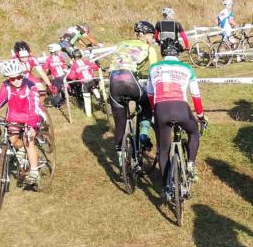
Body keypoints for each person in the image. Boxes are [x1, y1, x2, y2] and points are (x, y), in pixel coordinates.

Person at [148, 38, 205, 199]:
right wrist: (200, 115)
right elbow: (196, 95)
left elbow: (150, 94)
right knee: (194, 133)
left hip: (161, 109)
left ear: (163, 53)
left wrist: (154, 111)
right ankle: (191, 165)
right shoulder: (187, 68)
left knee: (163, 149)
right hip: (181, 108)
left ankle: (167, 186)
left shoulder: (153, 68)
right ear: (178, 53)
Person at [0, 58, 46, 188]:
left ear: (22, 74)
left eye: (18, 77)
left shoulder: (30, 87)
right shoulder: (6, 86)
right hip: (14, 117)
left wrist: (31, 126)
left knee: (28, 140)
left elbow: (34, 109)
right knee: (12, 139)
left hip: (32, 116)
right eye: (12, 79)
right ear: (7, 78)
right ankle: (21, 149)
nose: (16, 81)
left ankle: (34, 171)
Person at [101, 20, 160, 149]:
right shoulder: (149, 48)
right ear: (146, 35)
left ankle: (120, 154)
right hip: (129, 79)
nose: (153, 39)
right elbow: (154, 71)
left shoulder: (121, 44)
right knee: (146, 105)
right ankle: (143, 134)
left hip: (113, 80)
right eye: (152, 36)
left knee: (120, 124)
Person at [66, 50, 100, 117]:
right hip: (92, 81)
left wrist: (68, 71)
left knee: (87, 99)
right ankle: (100, 100)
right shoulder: (87, 62)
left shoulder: (74, 65)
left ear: (73, 57)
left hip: (84, 84)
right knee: (94, 88)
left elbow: (71, 77)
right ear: (81, 55)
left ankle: (88, 114)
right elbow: (96, 67)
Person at [41, 44, 71, 108]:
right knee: (56, 90)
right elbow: (46, 69)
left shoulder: (59, 57)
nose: (60, 52)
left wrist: (65, 69)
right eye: (58, 50)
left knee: (61, 89)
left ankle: (62, 101)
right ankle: (57, 103)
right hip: (57, 77)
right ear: (54, 51)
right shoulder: (49, 59)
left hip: (62, 76)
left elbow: (64, 65)